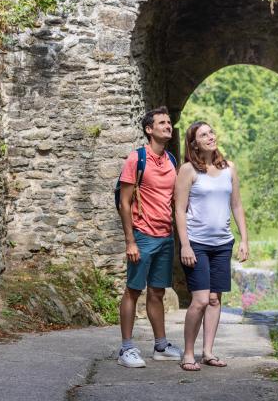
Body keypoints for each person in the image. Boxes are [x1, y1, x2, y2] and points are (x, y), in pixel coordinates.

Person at [174, 121, 249, 371]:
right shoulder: (188, 170)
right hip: (196, 243)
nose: (210, 136)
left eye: (211, 132)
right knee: (200, 300)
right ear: (194, 143)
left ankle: (207, 352)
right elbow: (180, 210)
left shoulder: (229, 168)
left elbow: (236, 205)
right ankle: (188, 353)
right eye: (203, 134)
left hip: (222, 243)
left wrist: (244, 240)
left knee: (215, 300)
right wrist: (184, 245)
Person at [116, 106, 182, 368]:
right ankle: (126, 349)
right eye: (162, 123)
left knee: (157, 291)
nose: (168, 126)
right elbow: (124, 202)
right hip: (142, 235)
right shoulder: (137, 159)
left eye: (169, 122)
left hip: (165, 237)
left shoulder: (172, 160)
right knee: (133, 290)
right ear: (149, 129)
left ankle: (160, 345)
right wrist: (130, 241)